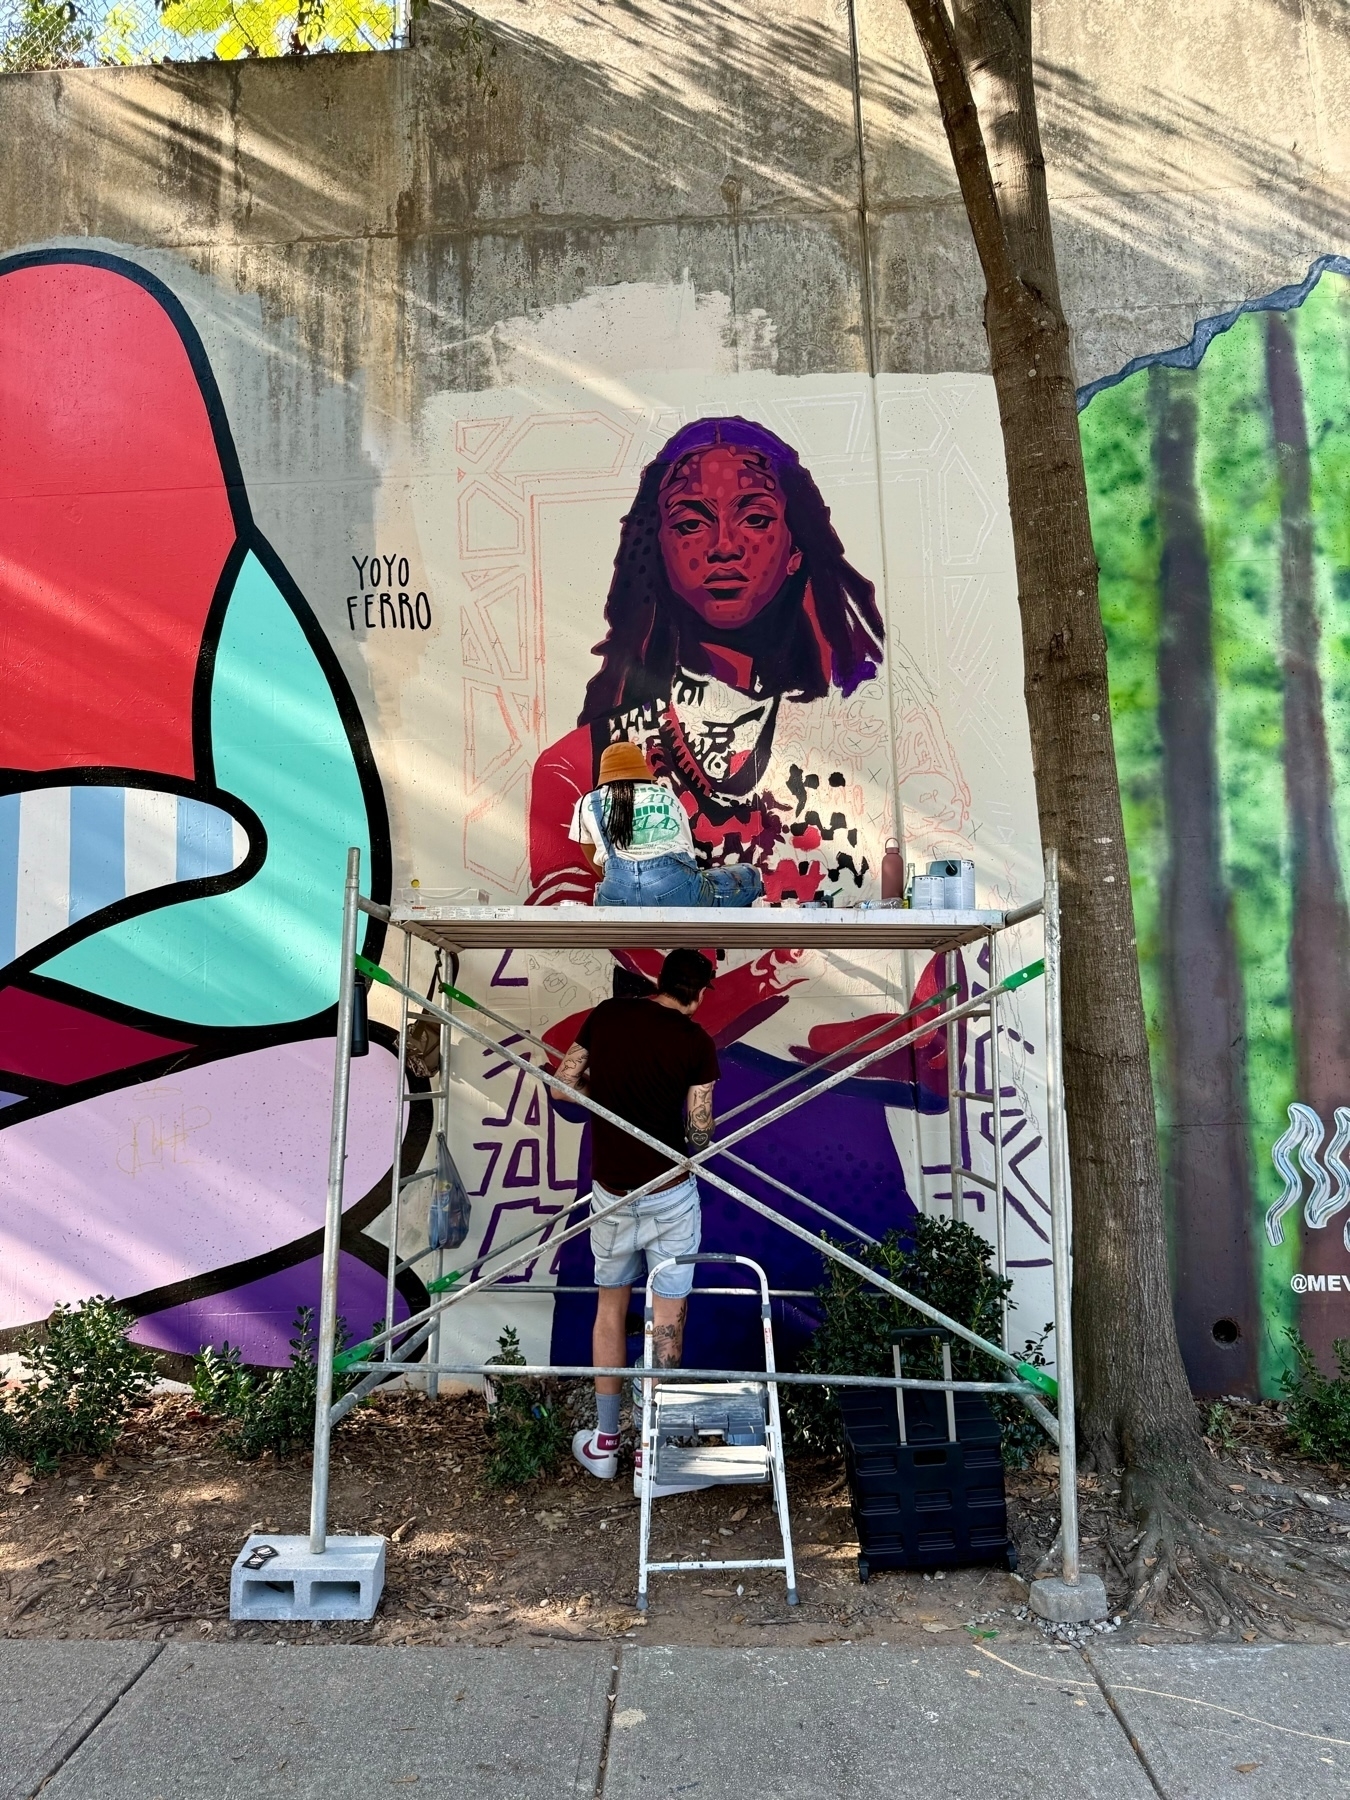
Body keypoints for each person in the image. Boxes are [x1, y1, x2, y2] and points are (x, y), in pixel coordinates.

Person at [555, 947, 720, 1495]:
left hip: (612, 1193)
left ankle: (605, 1443)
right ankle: (653, 1455)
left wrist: (602, 1096)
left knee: (610, 1308)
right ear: (699, 994)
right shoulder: (696, 1042)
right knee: (667, 1316)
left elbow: (562, 1085)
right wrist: (697, 1130)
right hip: (670, 1194)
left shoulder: (607, 1014)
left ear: (658, 979)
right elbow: (698, 1136)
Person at [571, 740, 762, 906]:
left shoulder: (588, 802)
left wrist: (624, 883)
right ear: (641, 768)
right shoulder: (666, 794)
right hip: (676, 892)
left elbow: (593, 858)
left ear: (605, 771)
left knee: (605, 886)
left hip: (616, 898)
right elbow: (687, 852)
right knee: (748, 875)